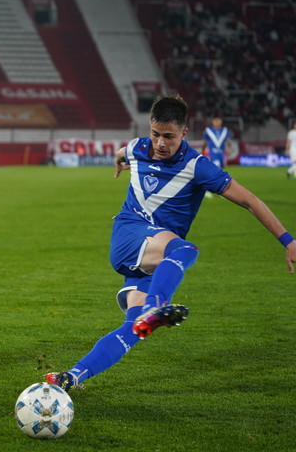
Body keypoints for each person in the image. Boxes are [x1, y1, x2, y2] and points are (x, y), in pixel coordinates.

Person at [45, 94, 296, 392]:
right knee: (184, 249)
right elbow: (123, 150)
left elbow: (250, 201)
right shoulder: (139, 147)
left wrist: (288, 241)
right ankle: (156, 305)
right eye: (155, 134)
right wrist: (118, 161)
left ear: (184, 133)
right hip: (130, 235)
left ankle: (70, 377)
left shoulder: (198, 167)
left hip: (151, 262)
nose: (160, 143)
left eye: (169, 136)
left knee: (134, 328)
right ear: (149, 128)